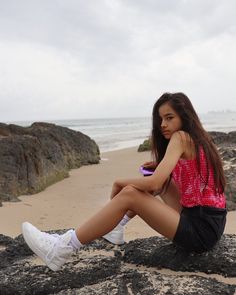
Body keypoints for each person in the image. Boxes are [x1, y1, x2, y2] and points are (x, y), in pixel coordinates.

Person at [22, 92, 227, 272]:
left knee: (130, 193)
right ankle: (116, 228)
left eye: (169, 117)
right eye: (160, 119)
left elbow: (154, 184)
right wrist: (159, 167)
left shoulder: (181, 137)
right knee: (155, 182)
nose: (163, 124)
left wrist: (120, 182)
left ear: (184, 117)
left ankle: (62, 249)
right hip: (208, 222)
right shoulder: (197, 139)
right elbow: (167, 181)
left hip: (200, 230)